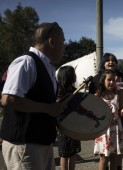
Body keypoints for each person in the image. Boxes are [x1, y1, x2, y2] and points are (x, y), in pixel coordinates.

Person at [0, 22, 65, 170]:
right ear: (52, 41)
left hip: (41, 143)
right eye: (63, 41)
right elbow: (9, 99)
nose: (64, 46)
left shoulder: (47, 66)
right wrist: (48, 108)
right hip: (25, 145)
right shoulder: (26, 61)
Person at [89, 52, 123, 170]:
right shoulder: (96, 79)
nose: (111, 62)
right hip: (103, 127)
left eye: (113, 60)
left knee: (117, 151)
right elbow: (91, 102)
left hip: (117, 120)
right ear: (103, 63)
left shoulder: (122, 77)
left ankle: (119, 167)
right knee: (104, 158)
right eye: (108, 60)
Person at [93, 70, 123, 170]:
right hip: (104, 131)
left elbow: (120, 109)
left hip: (116, 129)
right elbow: (93, 114)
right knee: (103, 159)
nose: (112, 82)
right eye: (109, 80)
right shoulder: (98, 95)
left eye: (113, 80)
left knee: (114, 159)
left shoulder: (118, 94)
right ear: (103, 81)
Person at [56, 66, 81, 170]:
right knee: (64, 154)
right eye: (73, 74)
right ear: (69, 76)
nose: (75, 76)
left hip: (74, 124)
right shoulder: (59, 91)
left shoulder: (74, 89)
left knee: (73, 153)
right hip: (63, 126)